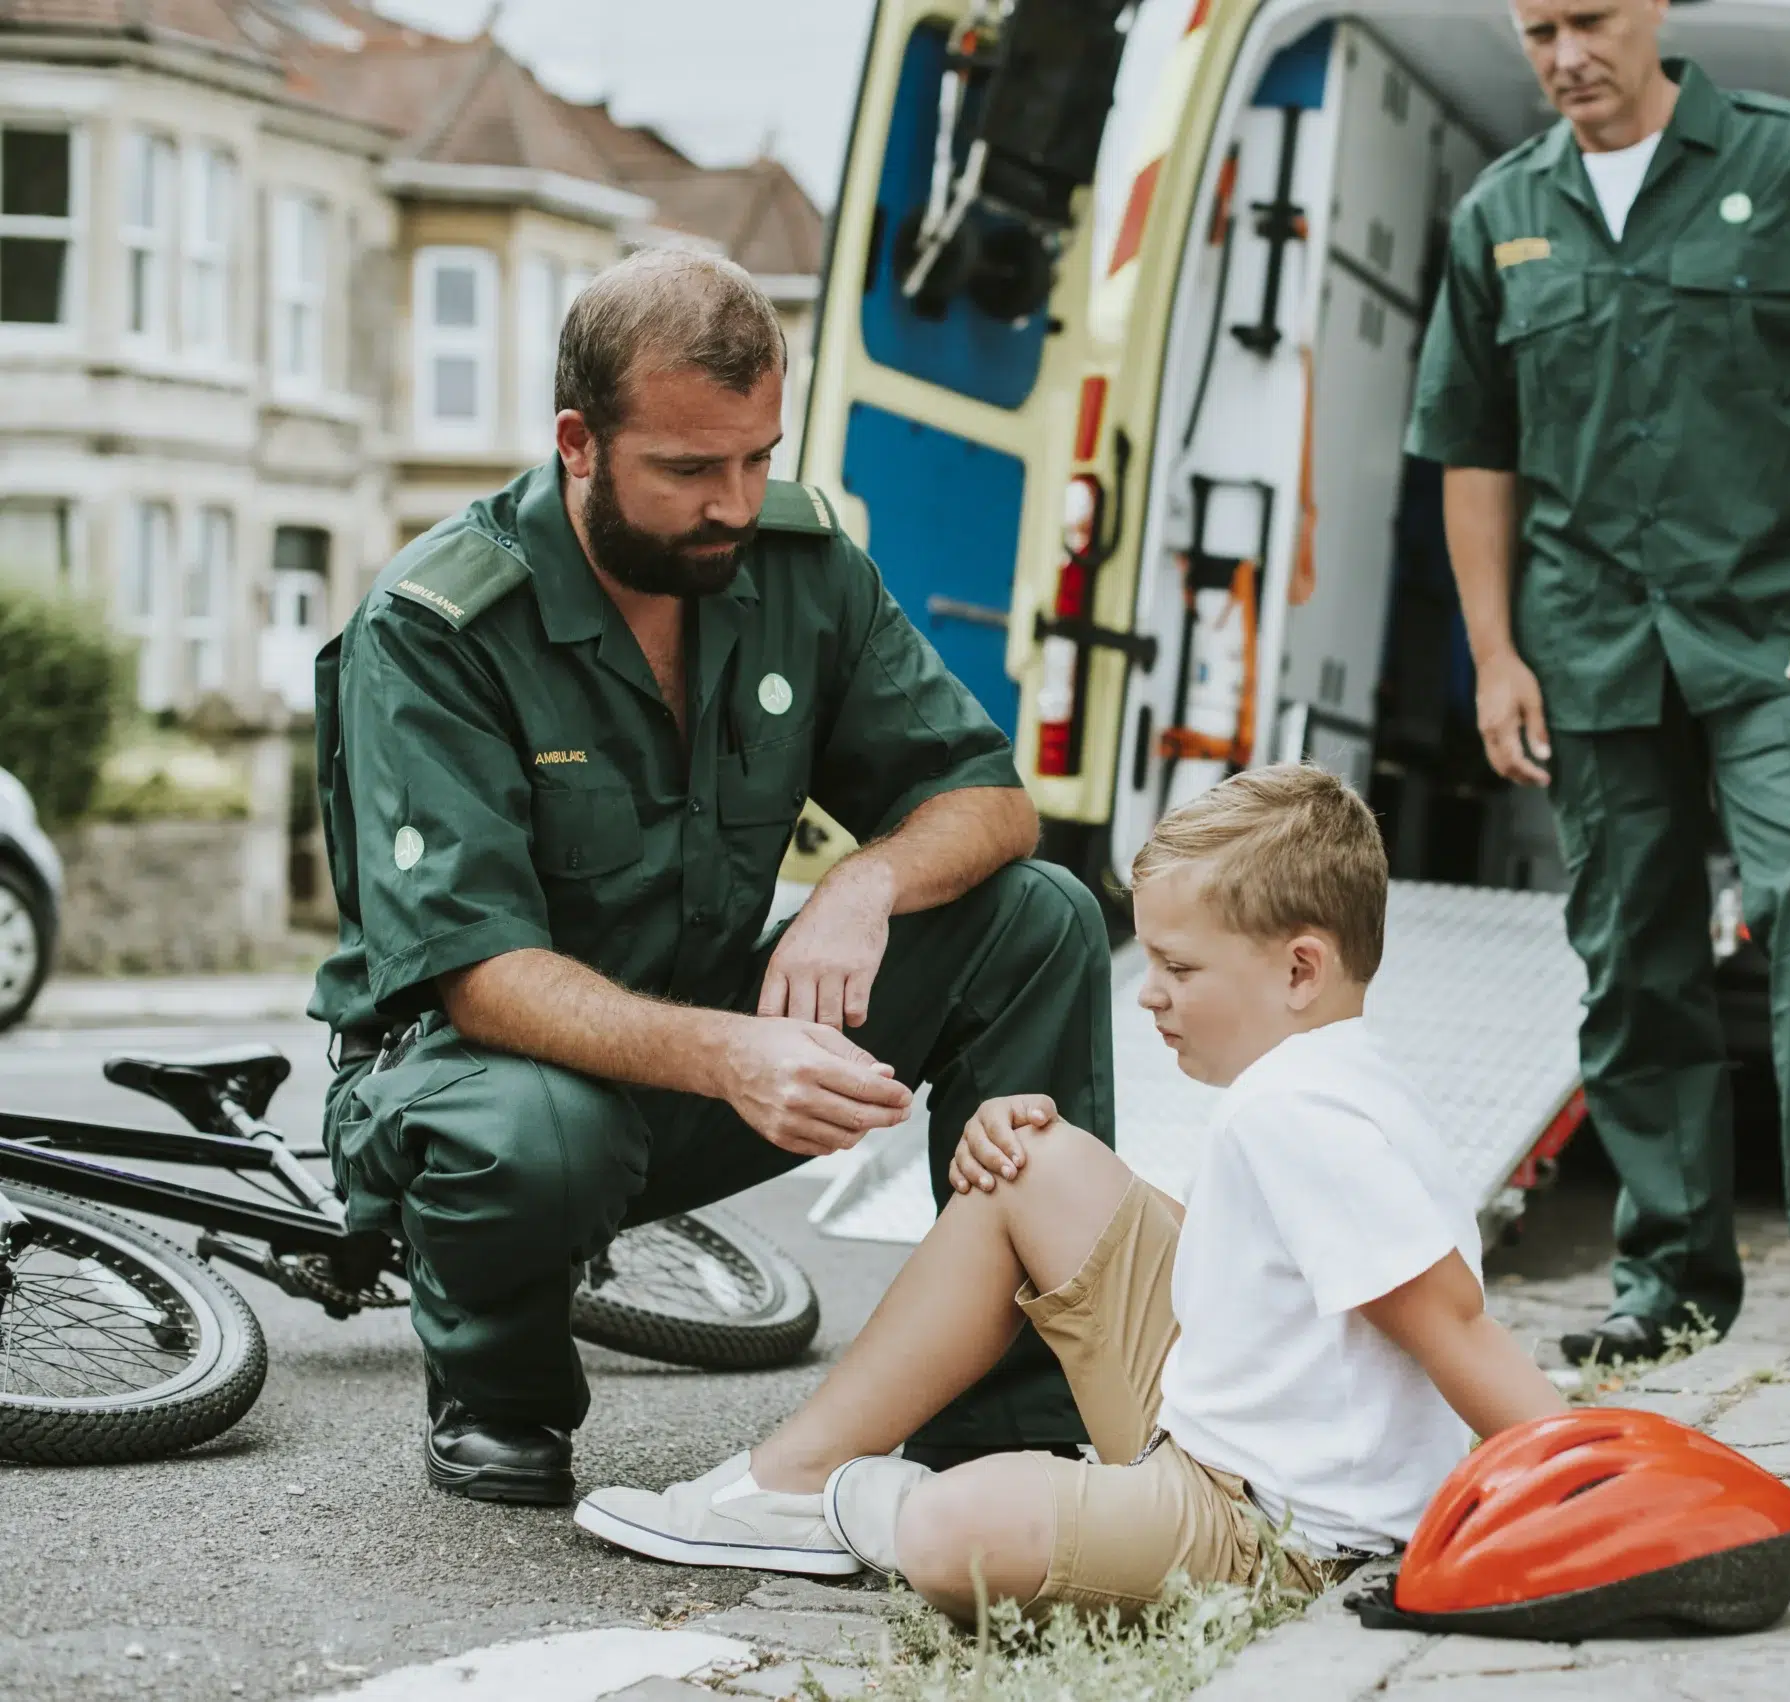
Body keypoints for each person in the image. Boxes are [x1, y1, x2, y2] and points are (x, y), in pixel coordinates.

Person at [310, 248, 1114, 1505]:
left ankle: (1010, 1425)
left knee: (1042, 919)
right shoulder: (436, 625)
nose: (734, 503)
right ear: (579, 442)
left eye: (759, 456)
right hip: (483, 1083)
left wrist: (862, 886)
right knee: (534, 1134)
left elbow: (990, 799)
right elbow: (476, 975)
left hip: (701, 1047)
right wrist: (737, 1055)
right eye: (689, 468)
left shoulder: (795, 566)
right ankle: (501, 1391)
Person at [572, 766, 1570, 1620]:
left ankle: (853, 1504)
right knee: (1035, 1160)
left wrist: (1584, 1488)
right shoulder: (1338, 1072)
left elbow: (1453, 1327)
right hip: (1223, 1444)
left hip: (1272, 1529)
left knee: (948, 1528)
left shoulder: (1298, 1113)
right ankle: (789, 1486)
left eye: (1178, 967)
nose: (1148, 990)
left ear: (1299, 967)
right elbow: (1270, 1278)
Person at [1406, 0, 1790, 1360]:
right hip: (1593, 641)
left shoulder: (1785, 162)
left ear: (1650, 10)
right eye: (1537, 31)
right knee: (1633, 958)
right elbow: (1476, 451)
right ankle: (1674, 1278)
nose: (1565, 52)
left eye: (1588, 19)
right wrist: (1494, 653)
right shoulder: (1502, 215)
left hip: (1780, 632)